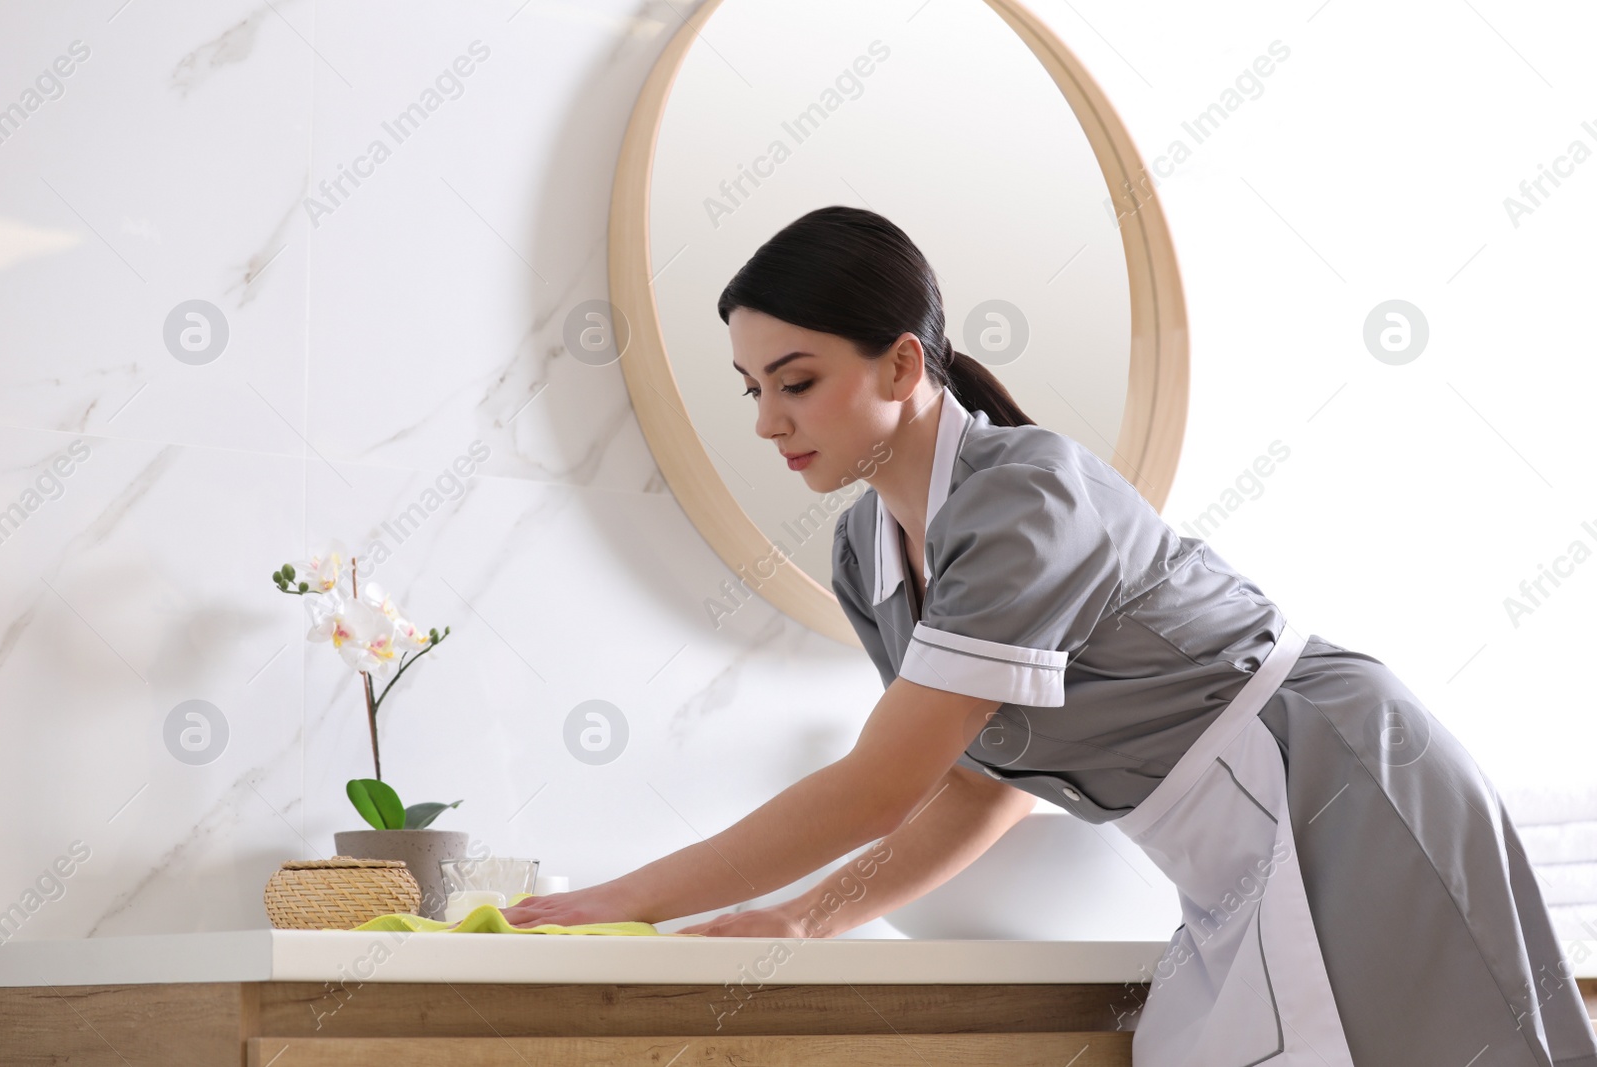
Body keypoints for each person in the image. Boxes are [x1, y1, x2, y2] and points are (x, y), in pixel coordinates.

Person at [501, 206, 1597, 1066]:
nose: (766, 422)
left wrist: (617, 899)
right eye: (751, 389)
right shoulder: (866, 557)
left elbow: (879, 785)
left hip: (1337, 783)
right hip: (1221, 838)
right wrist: (797, 917)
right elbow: (982, 785)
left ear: (898, 365)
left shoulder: (1025, 493)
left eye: (796, 382)